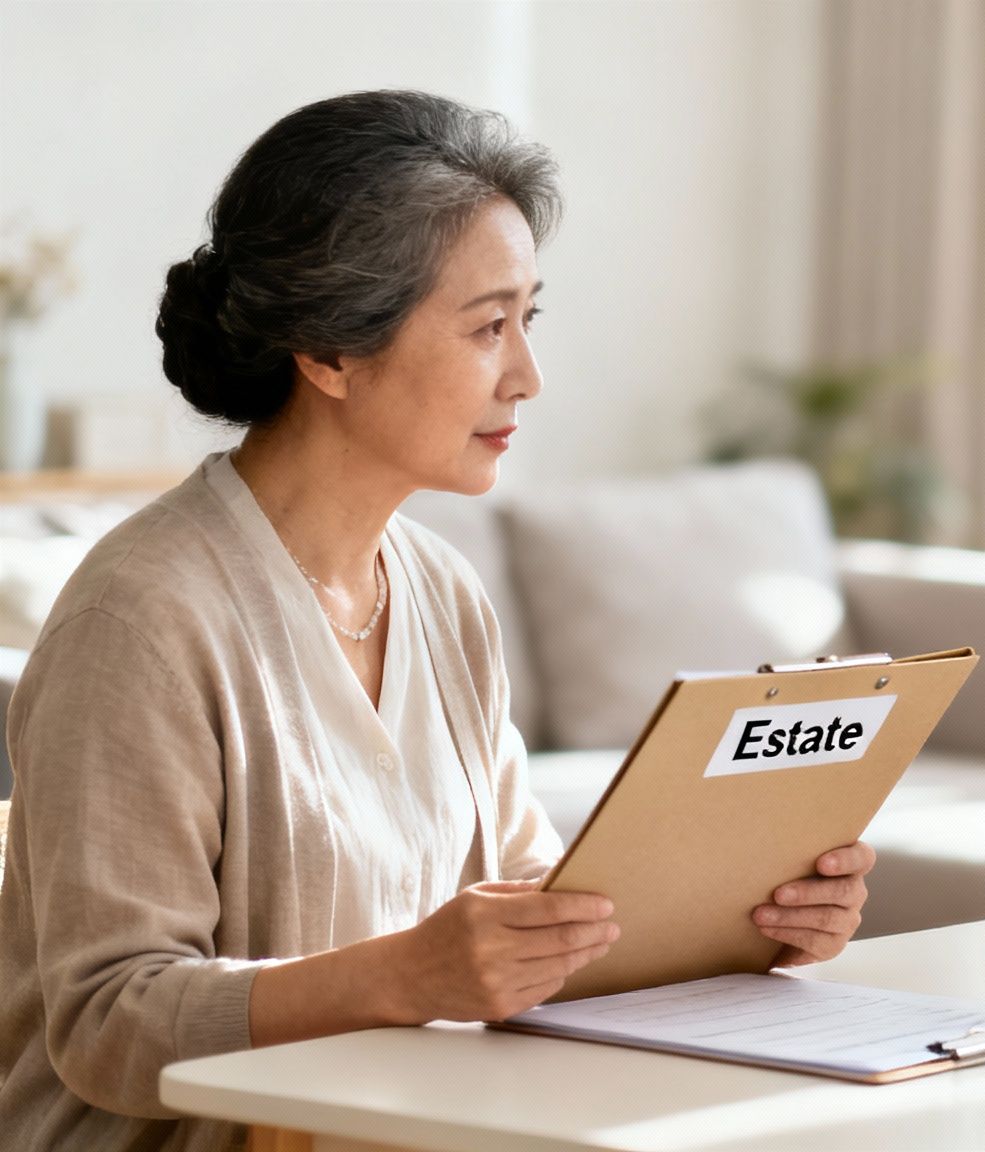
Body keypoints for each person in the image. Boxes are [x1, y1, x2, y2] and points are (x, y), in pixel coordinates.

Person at [0, 90, 873, 1150]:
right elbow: (106, 1024)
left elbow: (535, 921)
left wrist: (746, 924)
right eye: (486, 326)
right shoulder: (140, 619)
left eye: (528, 320)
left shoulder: (442, 592)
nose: (528, 375)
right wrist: (406, 973)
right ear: (328, 351)